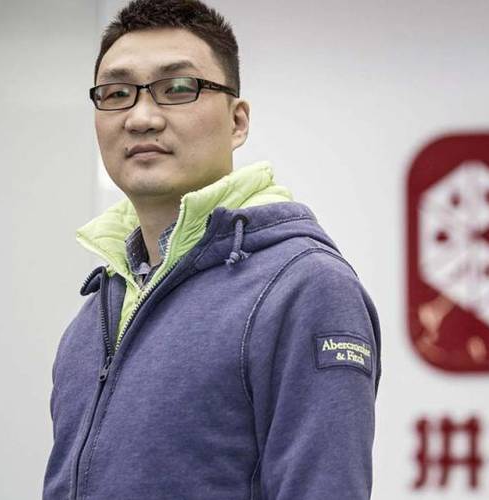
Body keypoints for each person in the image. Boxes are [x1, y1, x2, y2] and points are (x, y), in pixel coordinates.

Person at [43, 1, 381, 498]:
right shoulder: (98, 311)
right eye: (116, 93)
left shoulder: (304, 288)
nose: (141, 117)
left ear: (237, 121)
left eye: (178, 88)